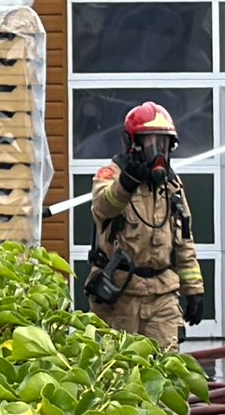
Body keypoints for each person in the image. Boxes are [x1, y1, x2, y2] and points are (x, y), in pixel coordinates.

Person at [87, 101, 205, 351]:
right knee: (118, 373)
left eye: (162, 143)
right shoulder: (111, 176)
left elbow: (183, 241)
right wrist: (126, 184)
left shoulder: (171, 186)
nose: (157, 151)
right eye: (150, 142)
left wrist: (194, 289)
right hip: (119, 296)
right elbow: (102, 207)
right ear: (133, 144)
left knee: (166, 370)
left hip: (162, 295)